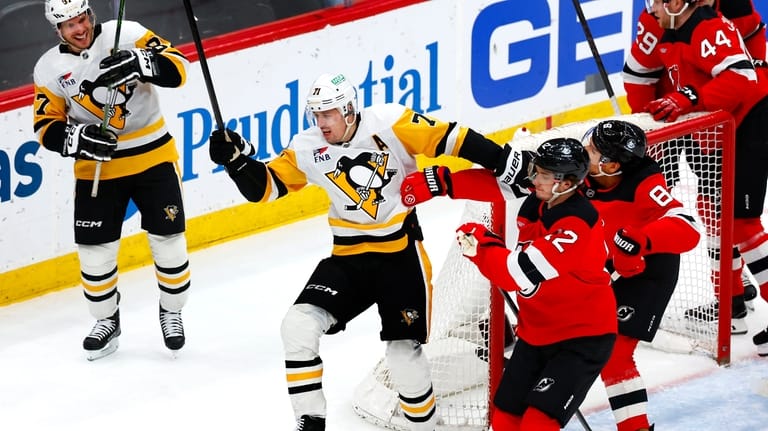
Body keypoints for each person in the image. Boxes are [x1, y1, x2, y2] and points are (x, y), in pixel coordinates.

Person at [208, 72, 513, 431]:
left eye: (329, 114)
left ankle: (423, 428)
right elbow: (267, 188)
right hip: (348, 258)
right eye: (316, 115)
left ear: (350, 111)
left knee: (402, 354)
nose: (321, 123)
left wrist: (505, 161)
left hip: (400, 256)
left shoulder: (390, 122)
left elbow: (453, 137)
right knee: (298, 327)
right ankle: (311, 422)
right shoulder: (307, 146)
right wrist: (236, 163)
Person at [401, 120, 702, 431]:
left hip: (644, 269)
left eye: (595, 151)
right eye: (589, 141)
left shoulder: (641, 183)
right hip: (599, 265)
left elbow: (687, 226)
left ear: (613, 165)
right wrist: (447, 184)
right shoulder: (570, 176)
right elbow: (508, 183)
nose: (586, 150)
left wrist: (642, 241)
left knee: (616, 356)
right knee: (511, 415)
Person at [420, 138, 617, 431]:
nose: (534, 178)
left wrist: (482, 246)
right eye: (536, 171)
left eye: (543, 175)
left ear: (565, 184)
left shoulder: (576, 225)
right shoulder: (543, 196)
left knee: (538, 424)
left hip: (581, 340)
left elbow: (518, 274)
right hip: (536, 333)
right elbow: (498, 181)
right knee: (505, 421)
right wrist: (444, 184)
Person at [32, 0, 191, 360]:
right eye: (68, 24)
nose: (79, 28)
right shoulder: (49, 68)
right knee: (94, 256)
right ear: (56, 30)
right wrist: (79, 140)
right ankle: (107, 321)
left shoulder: (129, 33)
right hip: (98, 169)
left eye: (81, 18)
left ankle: (172, 311)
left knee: (170, 243)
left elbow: (180, 69)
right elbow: (46, 127)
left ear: (90, 13)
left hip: (153, 156)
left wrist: (142, 63)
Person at [622, 0, 766, 333]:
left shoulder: (706, 25)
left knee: (741, 223)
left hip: (745, 120)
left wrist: (689, 97)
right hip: (713, 124)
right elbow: (638, 74)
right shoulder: (666, 25)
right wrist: (652, 135)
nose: (649, 7)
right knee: (715, 210)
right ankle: (730, 305)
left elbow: (744, 71)